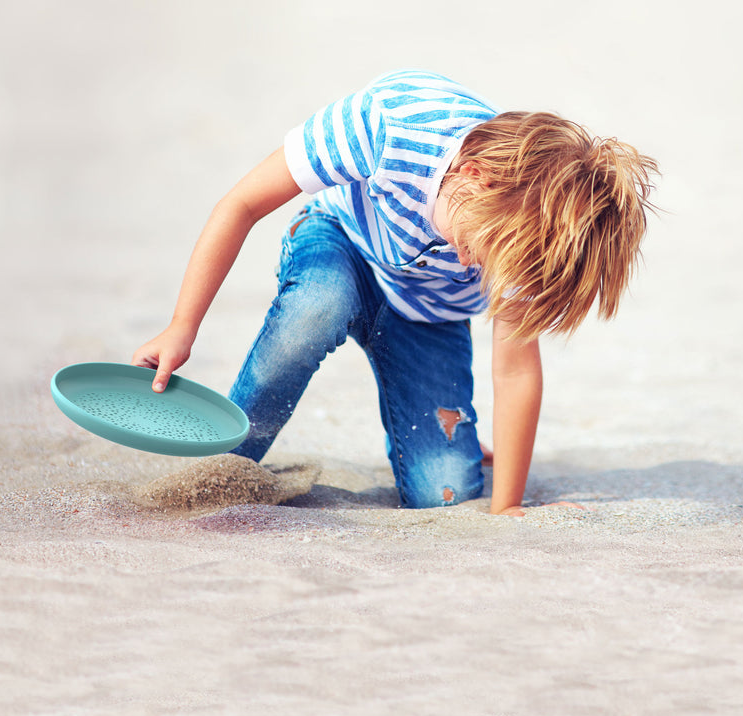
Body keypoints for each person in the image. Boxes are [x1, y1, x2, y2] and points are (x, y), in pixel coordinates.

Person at [132, 70, 657, 515]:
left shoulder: (526, 236)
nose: (473, 265)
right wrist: (184, 325)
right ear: (473, 176)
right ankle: (223, 469)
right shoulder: (388, 126)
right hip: (342, 244)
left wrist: (507, 507)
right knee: (315, 310)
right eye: (477, 247)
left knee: (444, 494)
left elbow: (516, 369)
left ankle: (459, 443)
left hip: (427, 314)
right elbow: (241, 204)